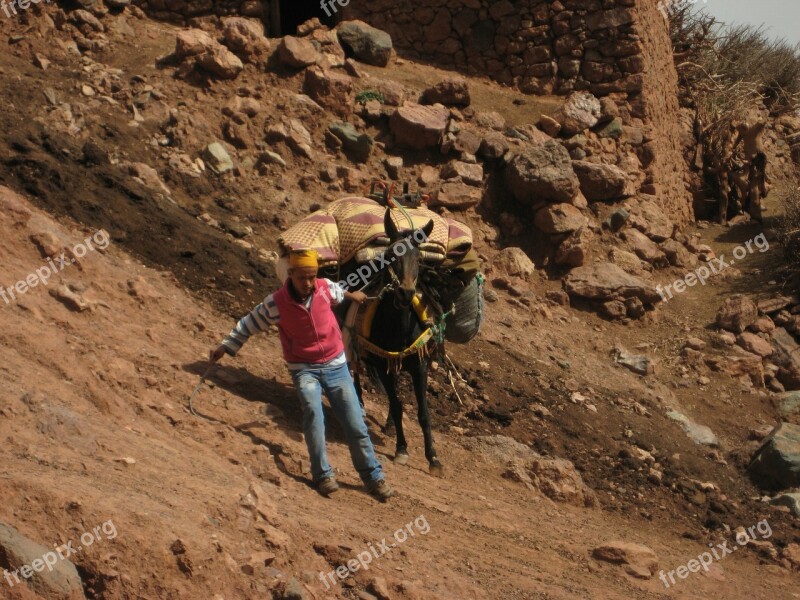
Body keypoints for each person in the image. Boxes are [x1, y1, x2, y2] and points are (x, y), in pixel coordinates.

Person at [210, 249, 394, 502]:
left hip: (337, 366)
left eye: (312, 277)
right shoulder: (276, 303)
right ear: (291, 274)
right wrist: (226, 346)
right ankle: (322, 475)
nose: (308, 284)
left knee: (356, 424)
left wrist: (354, 295)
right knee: (313, 414)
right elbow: (249, 323)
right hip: (304, 369)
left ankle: (373, 477)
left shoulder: (324, 288)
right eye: (302, 278)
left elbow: (340, 292)